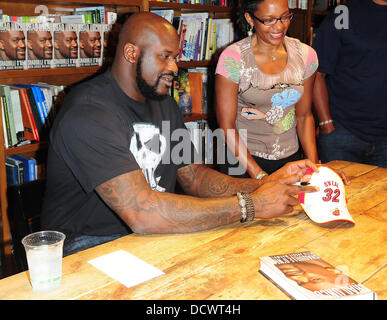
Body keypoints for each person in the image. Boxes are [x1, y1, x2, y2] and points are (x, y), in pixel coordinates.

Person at [41, 12, 319, 257]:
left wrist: (267, 184)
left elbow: (194, 177)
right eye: (165, 57)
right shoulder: (89, 113)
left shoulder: (162, 103)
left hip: (148, 237)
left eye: (176, 57)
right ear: (131, 54)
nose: (175, 68)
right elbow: (143, 214)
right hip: (87, 247)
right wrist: (250, 205)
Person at [215, 0, 319, 179]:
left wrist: (315, 167)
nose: (279, 26)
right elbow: (227, 126)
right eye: (269, 20)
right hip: (243, 162)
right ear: (250, 18)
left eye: (285, 17)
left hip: (289, 161)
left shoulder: (306, 55)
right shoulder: (233, 58)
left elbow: (304, 116)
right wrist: (260, 176)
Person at [312, 0, 387, 168]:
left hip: (384, 139)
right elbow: (316, 72)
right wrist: (326, 125)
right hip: (343, 133)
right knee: (343, 195)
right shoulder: (344, 13)